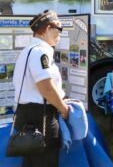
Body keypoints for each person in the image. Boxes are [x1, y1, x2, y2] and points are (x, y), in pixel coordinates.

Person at [12, 10, 69, 167]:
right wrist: (64, 109)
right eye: (59, 28)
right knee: (46, 161)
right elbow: (46, 88)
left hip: (27, 114)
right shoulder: (40, 52)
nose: (60, 33)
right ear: (45, 28)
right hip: (41, 115)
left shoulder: (29, 50)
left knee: (31, 162)